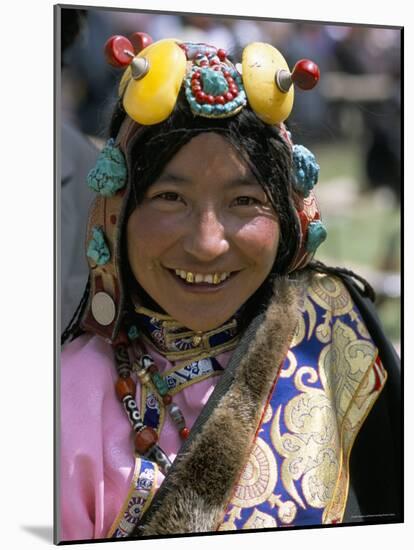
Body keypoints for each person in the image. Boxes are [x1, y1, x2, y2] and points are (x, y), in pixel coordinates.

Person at [59, 34, 401, 542]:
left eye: (244, 201)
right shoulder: (65, 399)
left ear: (289, 218)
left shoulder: (336, 343)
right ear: (117, 212)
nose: (207, 243)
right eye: (171, 197)